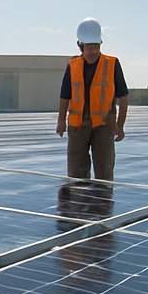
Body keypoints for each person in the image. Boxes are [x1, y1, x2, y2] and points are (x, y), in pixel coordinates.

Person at [55, 18, 128, 181]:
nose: (93, 50)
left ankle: (102, 205)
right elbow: (65, 95)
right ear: (80, 45)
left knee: (104, 172)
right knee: (76, 172)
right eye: (89, 46)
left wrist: (120, 125)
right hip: (77, 125)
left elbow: (123, 98)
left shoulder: (112, 64)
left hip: (103, 125)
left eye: (95, 46)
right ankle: (79, 204)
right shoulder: (73, 65)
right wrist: (60, 121)